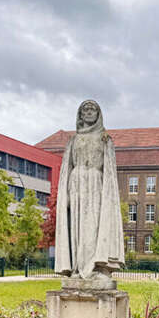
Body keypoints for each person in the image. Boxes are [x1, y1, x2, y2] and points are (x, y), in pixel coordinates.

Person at [54, 100, 125, 284]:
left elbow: (109, 169)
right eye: (85, 109)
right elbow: (67, 169)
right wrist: (67, 195)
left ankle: (96, 267)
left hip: (96, 186)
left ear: (98, 114)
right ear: (80, 114)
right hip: (77, 185)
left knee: (93, 227)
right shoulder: (73, 141)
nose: (89, 112)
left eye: (93, 109)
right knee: (77, 228)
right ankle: (78, 268)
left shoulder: (105, 139)